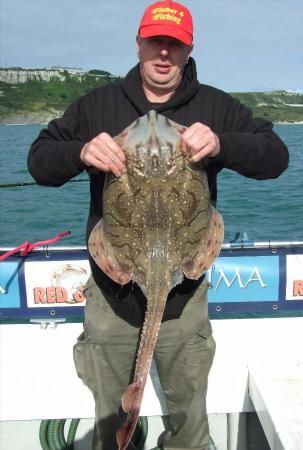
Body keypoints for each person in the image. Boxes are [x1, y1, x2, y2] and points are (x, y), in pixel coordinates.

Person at [28, 1, 289, 449]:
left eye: (175, 44)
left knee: (189, 427)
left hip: (184, 302)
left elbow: (276, 157)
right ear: (138, 43)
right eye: (155, 42)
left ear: (189, 50)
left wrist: (222, 143)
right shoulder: (97, 105)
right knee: (110, 426)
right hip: (110, 300)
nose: (164, 53)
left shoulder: (214, 105)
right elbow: (39, 161)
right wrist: (79, 152)